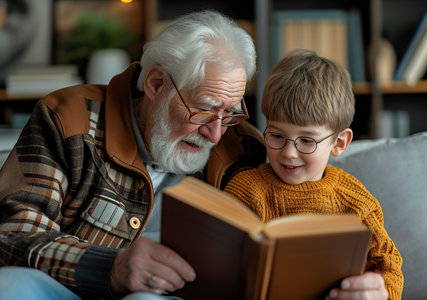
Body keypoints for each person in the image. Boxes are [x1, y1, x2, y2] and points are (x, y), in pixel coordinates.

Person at [0, 10, 266, 299]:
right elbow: (14, 236)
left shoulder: (244, 146)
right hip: (71, 288)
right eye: (203, 108)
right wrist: (109, 267)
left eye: (229, 113)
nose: (215, 135)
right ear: (155, 83)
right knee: (10, 286)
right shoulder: (68, 118)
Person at [224, 49, 404, 300]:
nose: (288, 153)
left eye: (306, 140)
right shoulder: (245, 189)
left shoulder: (355, 201)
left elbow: (389, 264)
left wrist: (380, 291)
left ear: (339, 142)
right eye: (276, 135)